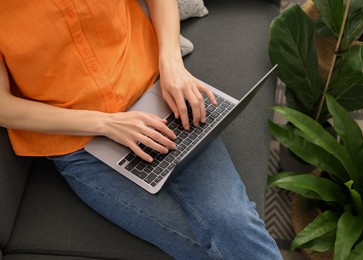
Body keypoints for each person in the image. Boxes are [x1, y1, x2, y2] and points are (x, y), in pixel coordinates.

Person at [0, 0, 281, 259]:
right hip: (81, 144)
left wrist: (171, 62)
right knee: (206, 245)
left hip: (159, 100)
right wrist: (107, 123)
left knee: (232, 219)